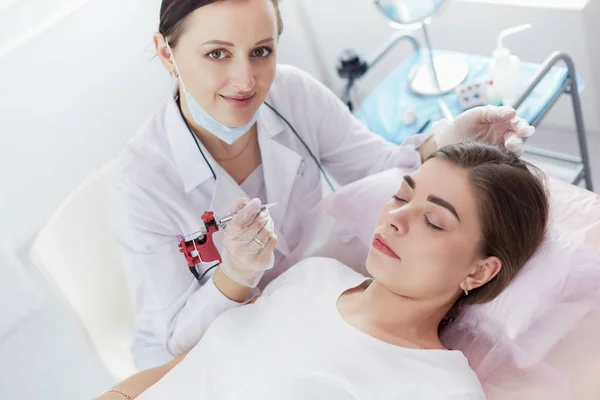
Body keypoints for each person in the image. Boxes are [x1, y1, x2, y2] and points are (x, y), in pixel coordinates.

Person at [109, 0, 537, 369]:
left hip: (313, 300)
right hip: (210, 347)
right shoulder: (142, 184)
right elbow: (173, 339)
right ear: (167, 53)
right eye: (218, 54)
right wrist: (234, 276)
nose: (246, 81)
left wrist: (445, 141)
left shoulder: (293, 94)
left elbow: (379, 168)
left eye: (261, 51)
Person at [99, 142, 549, 399]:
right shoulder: (314, 275)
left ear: (479, 272)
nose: (395, 217)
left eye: (433, 220)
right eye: (400, 196)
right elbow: (184, 368)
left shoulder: (440, 389)